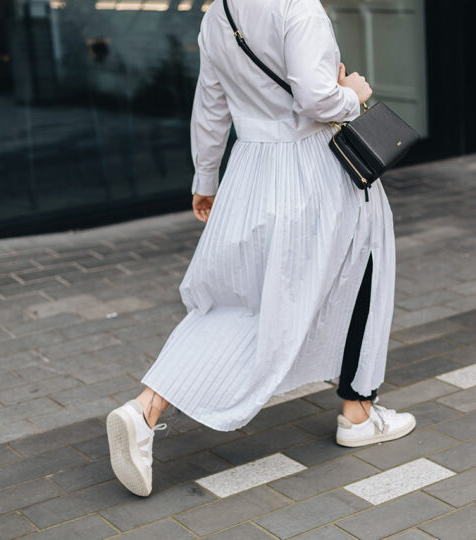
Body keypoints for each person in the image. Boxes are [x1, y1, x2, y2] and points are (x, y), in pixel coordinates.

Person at [105, 0, 415, 498]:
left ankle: (145, 408)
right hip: (315, 168)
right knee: (365, 268)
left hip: (250, 171)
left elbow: (210, 107)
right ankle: (358, 413)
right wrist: (353, 95)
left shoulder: (217, 14)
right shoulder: (299, 9)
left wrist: (206, 178)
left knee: (236, 301)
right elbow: (319, 101)